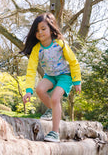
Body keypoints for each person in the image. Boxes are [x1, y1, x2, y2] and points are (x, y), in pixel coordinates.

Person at [22, 12, 81, 142]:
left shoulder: (60, 43)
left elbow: (73, 61)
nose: (40, 33)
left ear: (51, 28)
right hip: (50, 76)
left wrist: (77, 80)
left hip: (65, 76)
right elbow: (31, 70)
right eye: (37, 30)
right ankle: (51, 110)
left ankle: (55, 132)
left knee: (55, 98)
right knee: (39, 90)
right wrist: (28, 90)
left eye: (43, 29)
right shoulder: (37, 49)